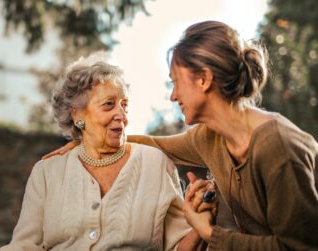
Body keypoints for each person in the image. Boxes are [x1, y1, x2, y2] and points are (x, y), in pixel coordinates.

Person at [44, 21, 318, 251]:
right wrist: (87, 138)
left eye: (175, 81)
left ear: (203, 79)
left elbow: (299, 247)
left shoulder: (278, 147)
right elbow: (154, 143)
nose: (173, 95)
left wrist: (209, 233)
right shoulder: (209, 137)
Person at [0, 57, 216, 251]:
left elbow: (179, 246)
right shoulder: (47, 172)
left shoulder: (155, 164)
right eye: (109, 105)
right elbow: (24, 246)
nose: (121, 115)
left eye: (124, 105)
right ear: (77, 115)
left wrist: (200, 227)